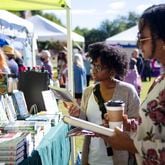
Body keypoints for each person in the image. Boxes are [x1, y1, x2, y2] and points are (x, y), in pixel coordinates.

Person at [101, 4, 165, 165]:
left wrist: (129, 144)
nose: (139, 44)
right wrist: (131, 127)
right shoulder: (160, 79)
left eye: (142, 38)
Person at [67, 42, 140, 165]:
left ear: (112, 70)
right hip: (92, 158)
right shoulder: (88, 92)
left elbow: (137, 125)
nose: (94, 70)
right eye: (93, 66)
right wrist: (77, 114)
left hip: (119, 159)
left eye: (99, 67)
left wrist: (112, 129)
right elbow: (85, 122)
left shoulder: (128, 91)